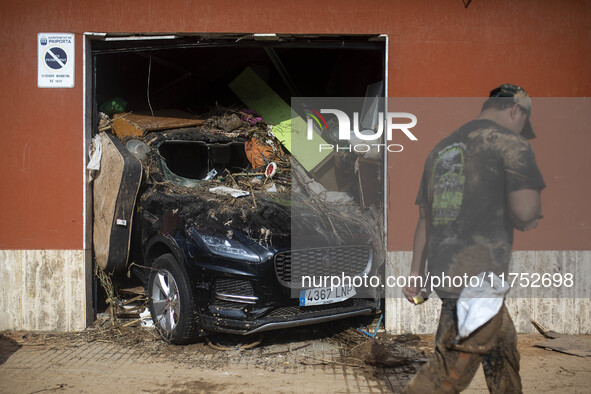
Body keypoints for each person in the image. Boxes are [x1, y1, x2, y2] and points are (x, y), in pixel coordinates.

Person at [401, 84, 545, 393]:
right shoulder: (509, 143)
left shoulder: (441, 149)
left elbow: (425, 219)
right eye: (523, 123)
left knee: (503, 351)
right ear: (516, 110)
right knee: (444, 374)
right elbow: (525, 213)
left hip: (448, 274)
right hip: (479, 280)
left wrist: (416, 273)